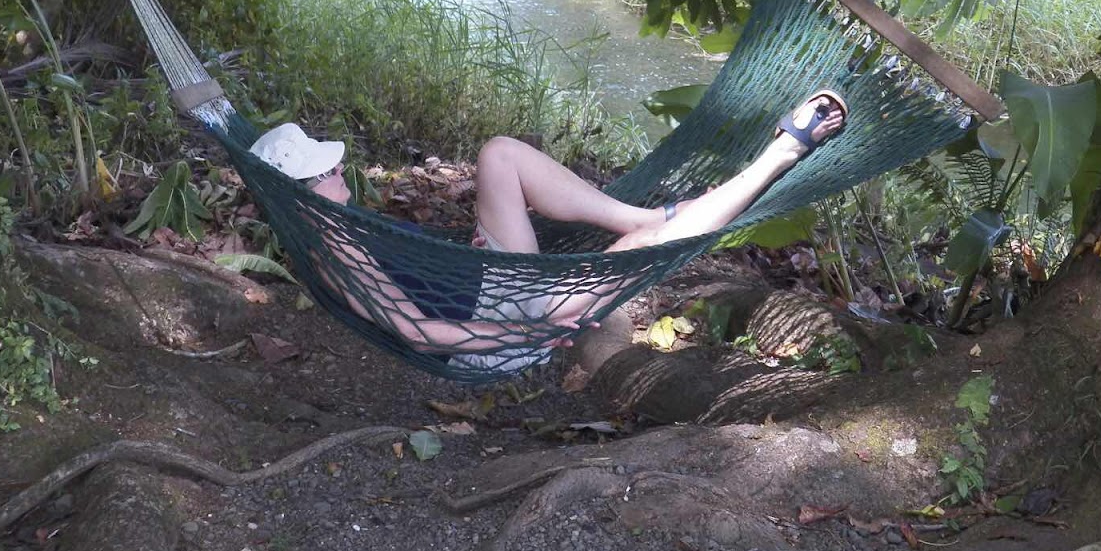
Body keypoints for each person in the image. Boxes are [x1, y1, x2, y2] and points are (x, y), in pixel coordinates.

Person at [248, 90, 848, 365]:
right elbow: (419, 332)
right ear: (301, 191)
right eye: (322, 170)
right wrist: (520, 338)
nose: (336, 168)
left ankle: (643, 211)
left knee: (501, 153)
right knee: (637, 253)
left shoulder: (327, 222)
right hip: (505, 320)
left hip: (493, 280)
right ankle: (780, 157)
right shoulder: (333, 250)